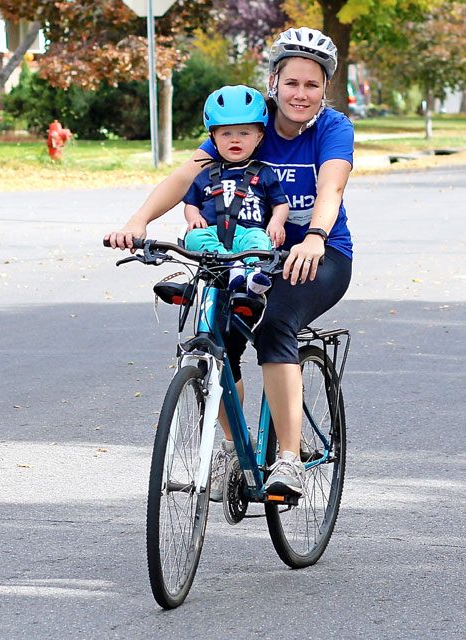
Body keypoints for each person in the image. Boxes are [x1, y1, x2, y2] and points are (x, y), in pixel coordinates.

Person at [106, 26, 353, 498]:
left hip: (319, 257)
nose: (301, 94)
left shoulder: (332, 129)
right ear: (274, 82)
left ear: (324, 89)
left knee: (275, 319)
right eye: (292, 83)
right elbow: (186, 178)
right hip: (242, 252)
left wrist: (315, 236)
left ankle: (288, 459)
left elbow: (332, 188)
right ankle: (229, 449)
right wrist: (138, 222)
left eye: (312, 84)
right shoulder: (251, 127)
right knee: (217, 331)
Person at [183, 85, 290, 295]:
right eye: (226, 133)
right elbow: (191, 203)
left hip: (249, 232)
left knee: (261, 242)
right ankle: (231, 268)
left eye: (244, 133)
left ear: (259, 136)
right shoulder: (206, 173)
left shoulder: (264, 173)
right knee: (193, 238)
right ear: (213, 137)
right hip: (214, 234)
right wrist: (193, 218)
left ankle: (254, 275)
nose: (235, 139)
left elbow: (280, 203)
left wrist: (277, 222)